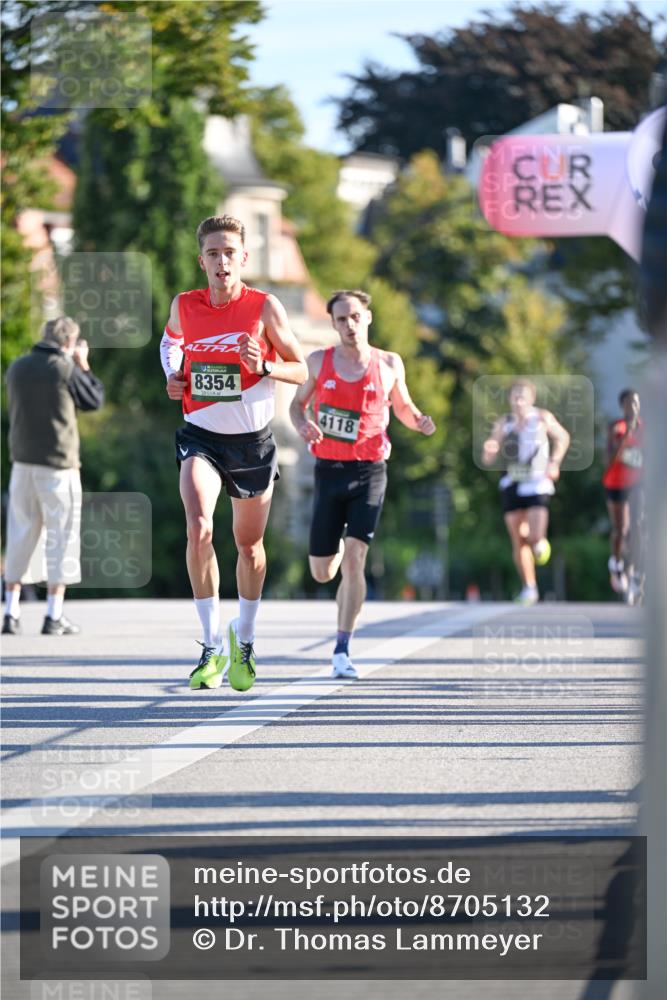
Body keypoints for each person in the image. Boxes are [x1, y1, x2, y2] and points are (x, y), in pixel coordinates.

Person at [161, 214, 307, 691]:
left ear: (243, 258)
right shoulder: (185, 304)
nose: (222, 261)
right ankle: (209, 647)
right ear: (200, 259)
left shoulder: (265, 307)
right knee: (199, 527)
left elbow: (300, 369)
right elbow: (170, 341)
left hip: (251, 443)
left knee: (250, 548)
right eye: (213, 253)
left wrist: (263, 364)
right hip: (200, 435)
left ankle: (243, 638)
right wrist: (174, 374)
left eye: (230, 253)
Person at [289, 289, 435, 679]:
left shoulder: (388, 363)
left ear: (367, 318)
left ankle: (342, 648)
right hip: (329, 470)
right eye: (341, 319)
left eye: (355, 317)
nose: (349, 325)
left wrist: (418, 420)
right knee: (323, 572)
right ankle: (333, 544)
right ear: (333, 324)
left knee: (356, 560)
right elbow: (296, 405)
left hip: (370, 471)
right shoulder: (319, 361)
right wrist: (303, 424)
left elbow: (402, 406)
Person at [3, 316, 104, 635]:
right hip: (59, 467)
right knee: (62, 538)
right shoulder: (64, 368)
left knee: (20, 535)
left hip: (22, 464)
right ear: (68, 343)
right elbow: (94, 399)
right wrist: (83, 364)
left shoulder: (17, 367)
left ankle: (11, 611)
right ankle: (53, 614)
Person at [482, 379, 570, 605]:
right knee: (518, 540)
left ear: (531, 398)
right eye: (515, 396)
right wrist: (489, 450)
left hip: (537, 483)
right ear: (510, 399)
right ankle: (529, 587)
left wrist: (554, 462)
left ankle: (540, 542)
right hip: (512, 483)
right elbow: (489, 453)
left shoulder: (542, 417)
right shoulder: (505, 422)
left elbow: (562, 437)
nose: (519, 400)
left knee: (534, 538)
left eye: (523, 396)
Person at [602, 388, 644, 600]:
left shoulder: (645, 429)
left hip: (636, 484)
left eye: (636, 403)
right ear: (622, 407)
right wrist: (625, 437)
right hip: (615, 483)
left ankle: (635, 572)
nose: (633, 408)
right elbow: (608, 460)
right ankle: (616, 562)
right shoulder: (615, 428)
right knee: (621, 528)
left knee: (637, 525)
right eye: (628, 404)